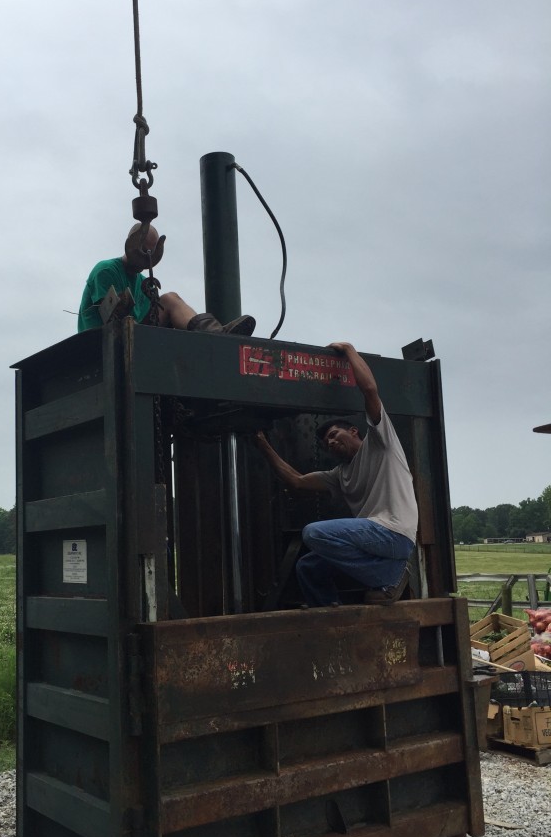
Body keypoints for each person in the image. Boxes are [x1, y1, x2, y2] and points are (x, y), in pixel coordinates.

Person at [254, 342, 418, 607]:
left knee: (314, 534)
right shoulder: (339, 474)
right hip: (374, 541)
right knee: (308, 566)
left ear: (353, 431)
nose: (330, 443)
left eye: (334, 435)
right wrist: (263, 445)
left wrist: (349, 350)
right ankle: (330, 614)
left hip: (394, 534)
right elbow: (296, 481)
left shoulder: (381, 443)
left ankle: (391, 575)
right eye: (326, 443)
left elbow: (370, 390)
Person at [78, 223, 256, 335]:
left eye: (151, 252)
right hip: (103, 344)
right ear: (130, 244)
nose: (147, 257)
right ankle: (215, 337)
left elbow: (151, 320)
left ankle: (215, 334)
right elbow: (112, 320)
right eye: (143, 250)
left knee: (170, 299)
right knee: (166, 301)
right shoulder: (106, 270)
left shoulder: (143, 283)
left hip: (135, 337)